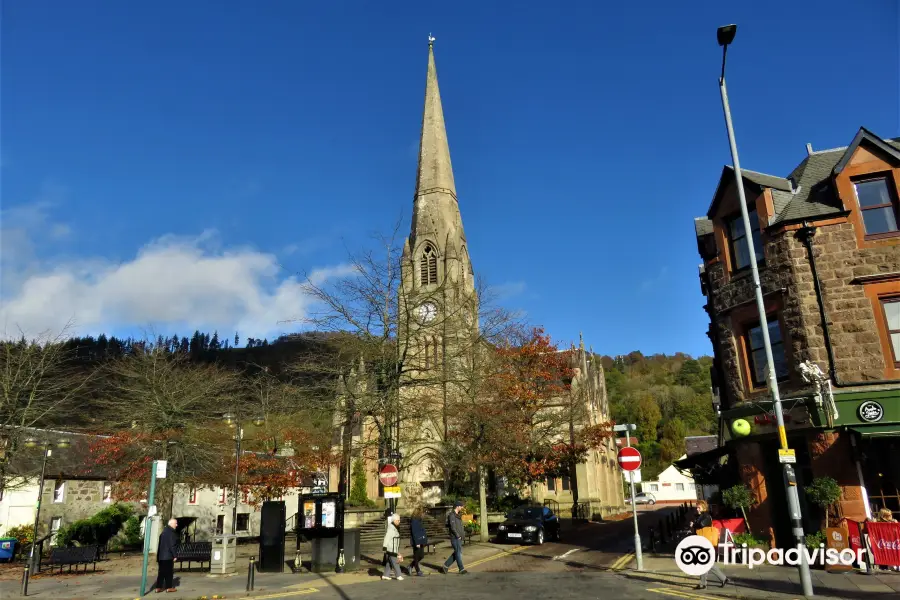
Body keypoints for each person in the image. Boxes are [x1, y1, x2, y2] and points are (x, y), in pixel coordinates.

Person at [691, 500, 727, 590]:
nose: (697, 509)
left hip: (706, 542)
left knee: (705, 563)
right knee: (706, 563)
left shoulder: (706, 516)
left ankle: (704, 584)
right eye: (697, 507)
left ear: (704, 508)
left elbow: (702, 525)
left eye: (699, 507)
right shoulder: (700, 516)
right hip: (701, 542)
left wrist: (693, 524)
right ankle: (722, 579)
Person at [441, 501, 467, 574]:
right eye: (461, 506)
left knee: (457, 553)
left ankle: (445, 566)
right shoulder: (451, 515)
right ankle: (461, 569)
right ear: (457, 506)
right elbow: (453, 527)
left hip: (459, 537)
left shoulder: (458, 515)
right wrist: (457, 535)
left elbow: (459, 526)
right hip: (455, 537)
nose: (462, 508)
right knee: (458, 553)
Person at [155, 518, 179, 593]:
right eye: (176, 523)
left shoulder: (163, 532)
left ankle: (158, 587)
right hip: (168, 556)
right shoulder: (171, 533)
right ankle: (169, 587)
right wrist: (175, 555)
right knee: (169, 572)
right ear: (171, 524)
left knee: (161, 573)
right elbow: (172, 545)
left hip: (161, 556)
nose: (176, 525)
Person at [382, 513, 404, 580]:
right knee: (395, 562)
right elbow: (387, 538)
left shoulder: (394, 527)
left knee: (389, 562)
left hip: (393, 547)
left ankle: (386, 575)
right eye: (398, 520)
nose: (399, 521)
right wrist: (384, 547)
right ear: (394, 520)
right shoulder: (391, 528)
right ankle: (398, 575)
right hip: (391, 548)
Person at [409, 507, 428, 576]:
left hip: (421, 541)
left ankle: (410, 566)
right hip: (416, 541)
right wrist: (417, 543)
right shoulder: (414, 521)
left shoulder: (419, 520)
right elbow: (414, 532)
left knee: (421, 556)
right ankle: (418, 570)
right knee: (416, 557)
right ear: (419, 513)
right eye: (423, 513)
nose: (424, 514)